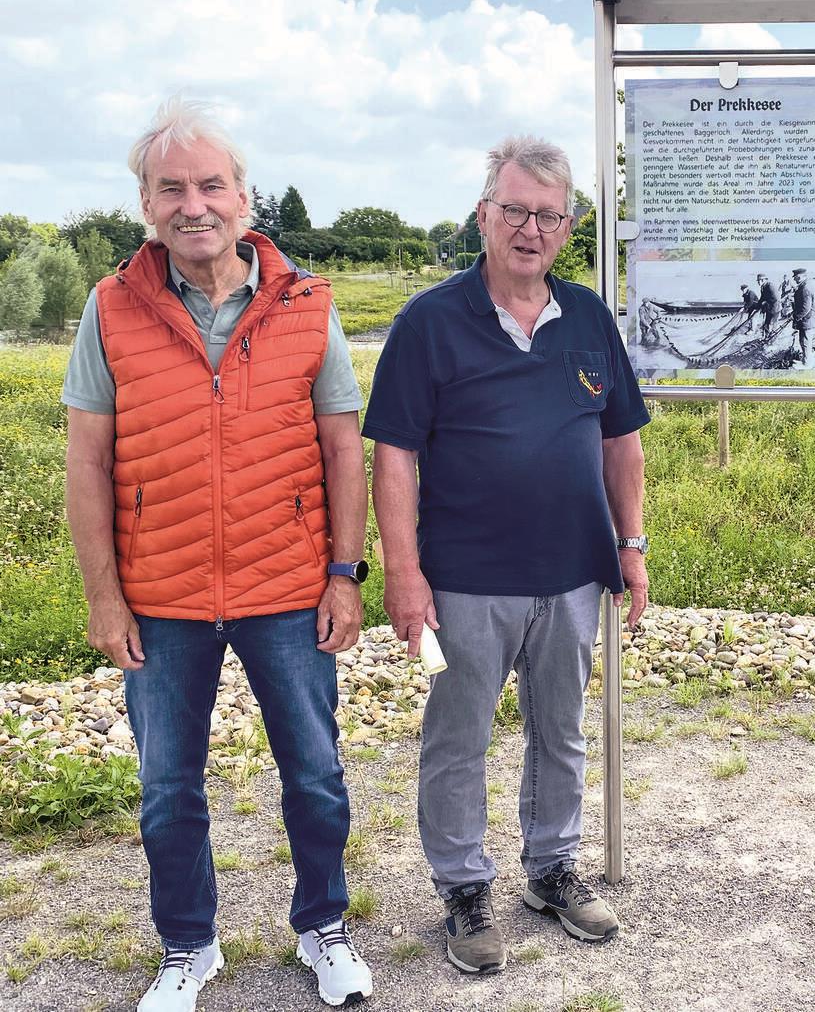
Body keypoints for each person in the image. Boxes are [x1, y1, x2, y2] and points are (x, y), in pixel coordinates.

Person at [62, 97, 373, 1010]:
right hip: (160, 596)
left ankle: (324, 928)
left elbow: (343, 444)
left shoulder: (308, 302)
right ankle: (188, 947)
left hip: (287, 587)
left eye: (210, 185)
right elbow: (86, 455)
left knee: (315, 774)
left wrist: (345, 574)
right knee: (166, 788)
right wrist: (104, 596)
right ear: (148, 206)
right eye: (171, 189)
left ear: (243, 197)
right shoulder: (109, 308)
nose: (193, 204)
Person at [364, 136, 650, 976]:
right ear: (484, 213)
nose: (531, 228)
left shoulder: (590, 317)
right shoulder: (429, 321)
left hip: (572, 574)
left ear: (569, 226)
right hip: (464, 579)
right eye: (515, 209)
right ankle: (462, 889)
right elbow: (392, 457)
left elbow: (622, 444)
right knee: (458, 739)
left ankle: (551, 871)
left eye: (549, 215)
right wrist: (403, 571)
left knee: (560, 732)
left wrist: (630, 546)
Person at [791, 268, 815, 365]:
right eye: (795, 277)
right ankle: (806, 360)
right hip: (808, 318)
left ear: (803, 276)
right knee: (804, 341)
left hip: (808, 319)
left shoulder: (805, 288)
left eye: (797, 277)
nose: (795, 279)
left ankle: (807, 363)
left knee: (805, 341)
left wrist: (796, 316)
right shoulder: (805, 285)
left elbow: (805, 308)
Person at [756, 272, 778, 336]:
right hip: (769, 308)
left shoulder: (770, 286)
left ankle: (771, 338)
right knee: (767, 324)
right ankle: (767, 337)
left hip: (774, 308)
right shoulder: (763, 287)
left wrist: (766, 302)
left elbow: (776, 299)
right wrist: (758, 306)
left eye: (758, 281)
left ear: (763, 280)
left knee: (771, 325)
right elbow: (762, 298)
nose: (758, 282)